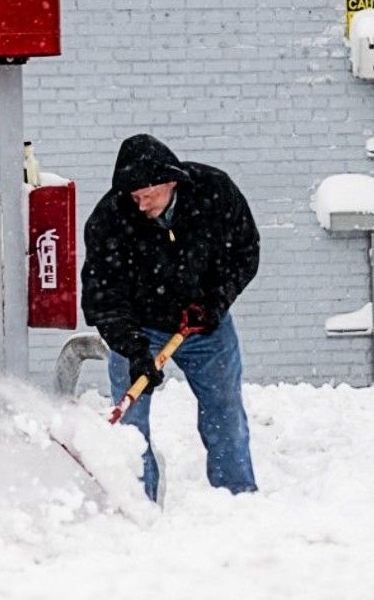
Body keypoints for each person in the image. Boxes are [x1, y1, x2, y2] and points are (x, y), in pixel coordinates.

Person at [81, 133, 260, 501]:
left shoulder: (213, 192)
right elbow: (103, 298)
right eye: (135, 198)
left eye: (148, 195)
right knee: (131, 421)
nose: (141, 205)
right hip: (140, 328)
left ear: (171, 181)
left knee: (224, 407)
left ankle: (237, 495)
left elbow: (245, 251)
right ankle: (137, 501)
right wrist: (134, 350)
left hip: (204, 323)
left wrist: (216, 300)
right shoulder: (110, 220)